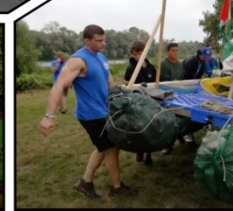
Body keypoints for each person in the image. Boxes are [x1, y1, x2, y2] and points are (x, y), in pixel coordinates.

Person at [40, 25, 136, 198]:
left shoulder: (101, 56)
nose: (103, 43)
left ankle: (86, 182)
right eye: (99, 41)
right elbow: (59, 84)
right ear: (87, 40)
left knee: (102, 147)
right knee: (112, 149)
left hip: (104, 110)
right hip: (92, 114)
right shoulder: (78, 60)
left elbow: (109, 81)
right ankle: (116, 187)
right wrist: (49, 115)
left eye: (104, 39)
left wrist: (119, 96)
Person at [124, 41, 156, 165]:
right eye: (135, 53)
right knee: (139, 128)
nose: (138, 55)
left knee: (150, 127)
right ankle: (139, 150)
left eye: (140, 52)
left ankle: (149, 154)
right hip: (137, 102)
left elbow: (155, 83)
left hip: (150, 101)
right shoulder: (131, 68)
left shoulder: (150, 67)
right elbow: (128, 84)